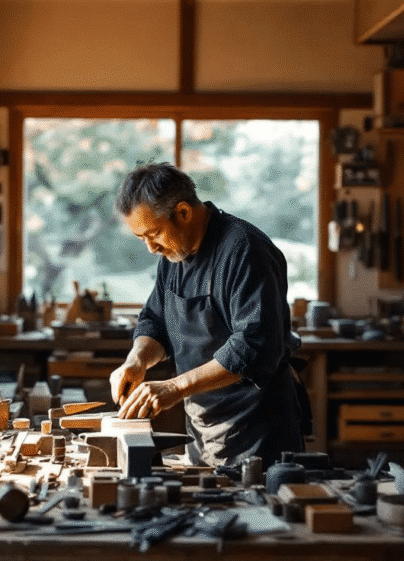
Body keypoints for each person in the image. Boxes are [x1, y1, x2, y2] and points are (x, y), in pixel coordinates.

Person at [109, 162, 305, 469]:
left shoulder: (244, 251)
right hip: (204, 428)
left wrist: (174, 387)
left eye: (154, 233)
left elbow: (252, 348)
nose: (150, 248)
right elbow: (155, 322)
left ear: (184, 213)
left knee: (259, 515)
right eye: (141, 238)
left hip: (257, 432)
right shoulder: (174, 254)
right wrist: (136, 361)